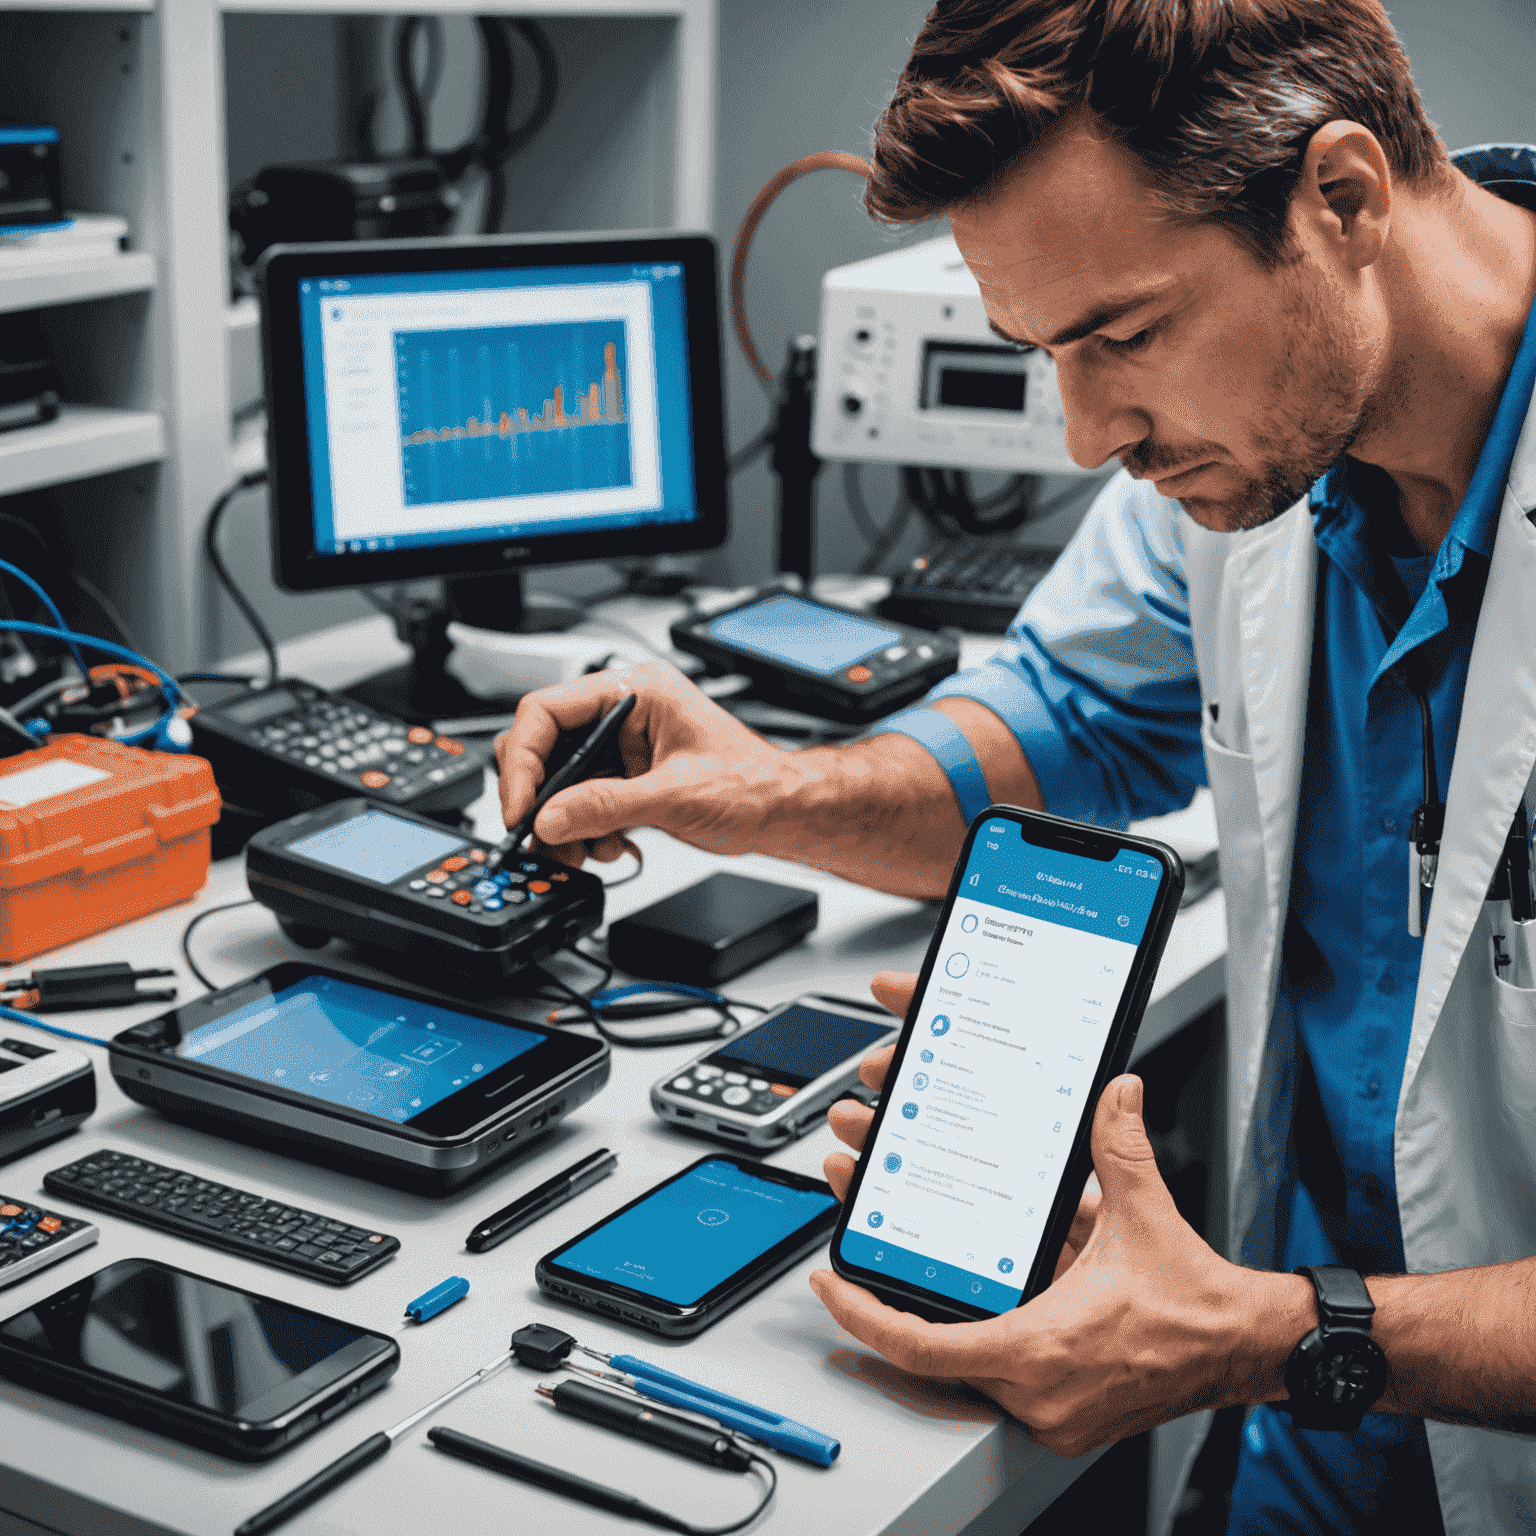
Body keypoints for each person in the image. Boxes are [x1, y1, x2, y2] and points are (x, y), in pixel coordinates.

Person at [495, 2, 1536, 1530]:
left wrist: (1265, 1335)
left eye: (1120, 335)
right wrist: (763, 787)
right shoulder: (1249, 463)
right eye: (1044, 352)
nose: (1082, 431)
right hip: (1309, 1441)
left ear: (1344, 198)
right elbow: (1056, 725)